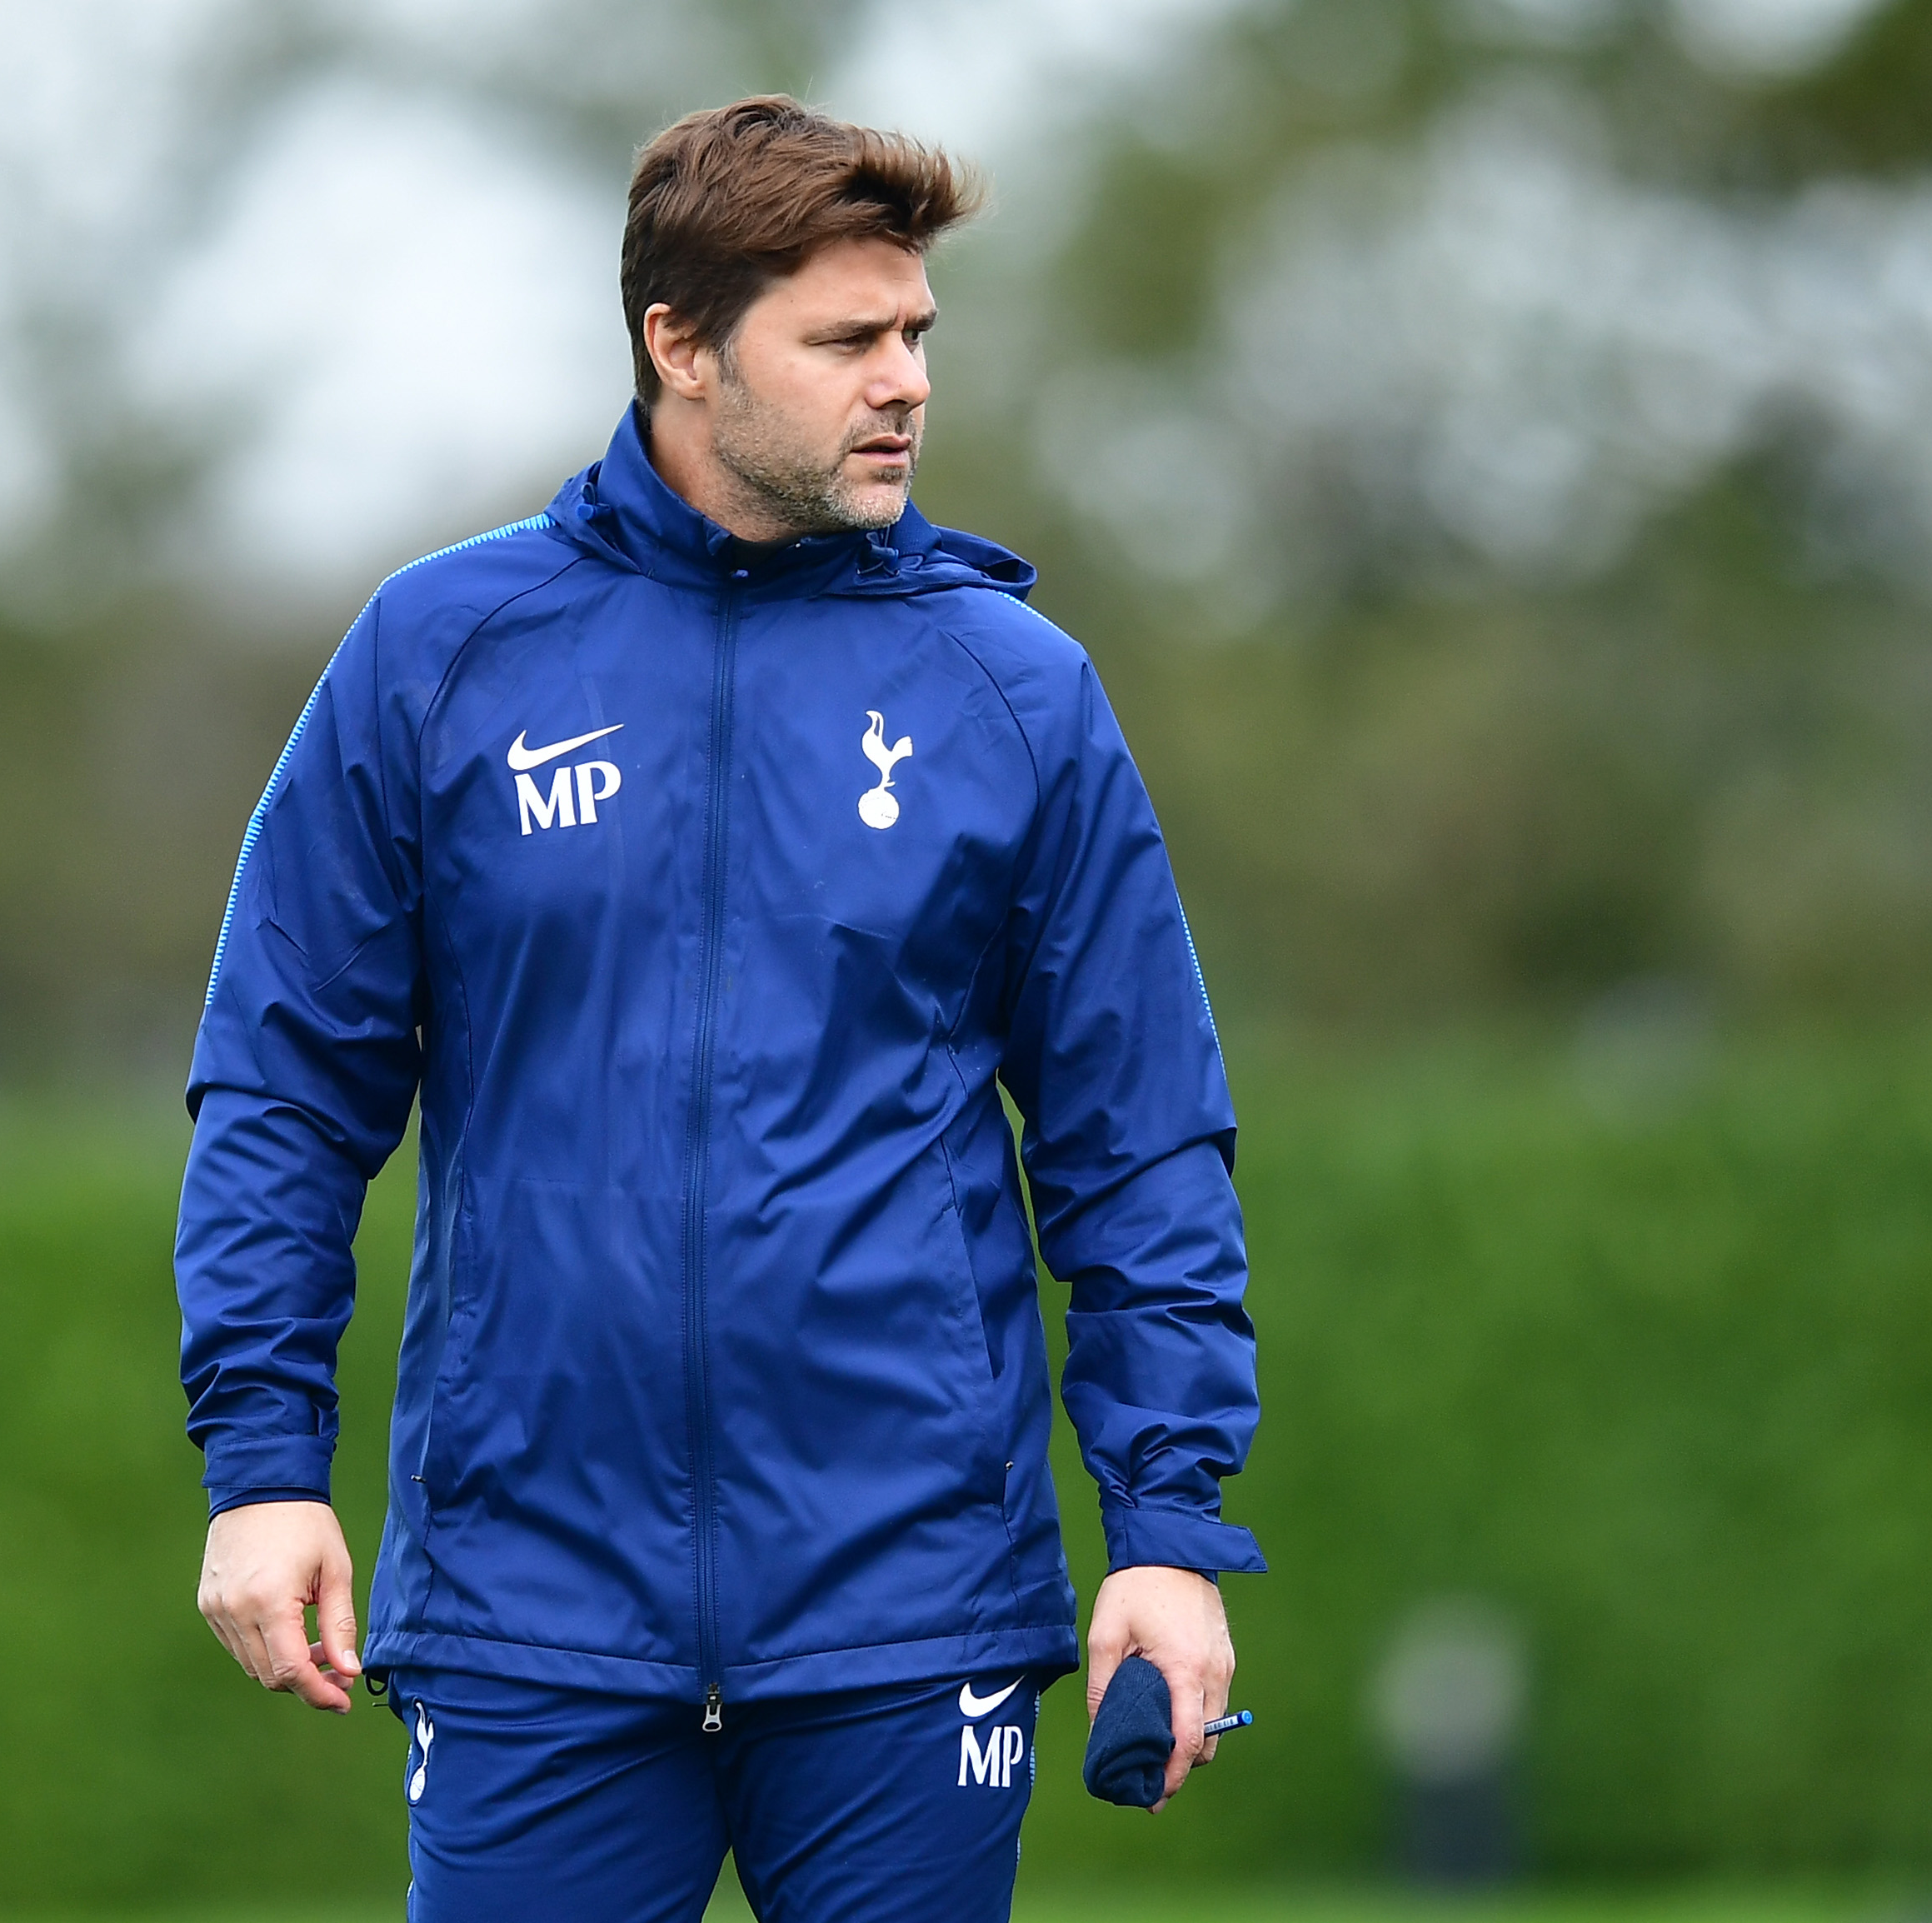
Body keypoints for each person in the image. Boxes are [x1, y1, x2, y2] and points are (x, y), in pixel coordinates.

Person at [172, 95, 1262, 1923]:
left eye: (914, 332)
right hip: (533, 1612)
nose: (902, 380)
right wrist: (262, 1459)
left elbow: (1138, 1140)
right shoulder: (439, 661)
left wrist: (1166, 1526)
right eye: (844, 340)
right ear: (678, 344)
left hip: (909, 1614)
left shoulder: (1018, 692)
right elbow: (283, 1092)